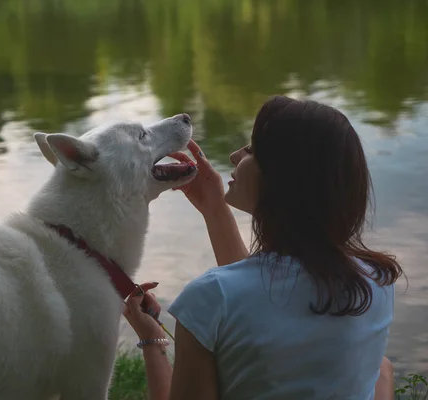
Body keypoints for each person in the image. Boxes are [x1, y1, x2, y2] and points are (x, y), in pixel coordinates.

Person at [123, 95, 402, 400]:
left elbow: (247, 300)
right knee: (382, 369)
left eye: (252, 150)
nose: (233, 156)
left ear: (282, 177)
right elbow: (263, 300)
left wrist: (153, 342)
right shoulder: (376, 282)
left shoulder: (207, 298)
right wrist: (214, 209)